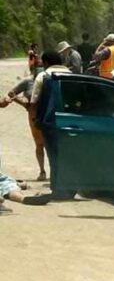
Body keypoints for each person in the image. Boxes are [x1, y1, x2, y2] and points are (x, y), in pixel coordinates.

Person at [31, 52, 71, 200]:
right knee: (69, 155)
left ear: (46, 62)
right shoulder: (71, 75)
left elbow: (34, 101)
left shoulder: (43, 76)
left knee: (54, 156)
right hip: (72, 122)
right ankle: (70, 187)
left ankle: (58, 188)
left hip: (50, 123)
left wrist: (35, 120)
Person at [1, 74, 46, 181]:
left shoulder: (50, 79)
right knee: (39, 144)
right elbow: (11, 94)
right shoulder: (28, 81)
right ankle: (42, 170)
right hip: (34, 117)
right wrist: (17, 100)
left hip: (48, 115)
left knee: (52, 145)